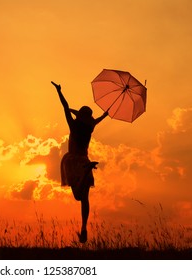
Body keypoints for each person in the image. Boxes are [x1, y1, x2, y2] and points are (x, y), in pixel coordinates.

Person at [51, 81, 108, 243]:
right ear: (89, 117)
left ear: (79, 116)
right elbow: (97, 119)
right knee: (84, 199)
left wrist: (59, 91)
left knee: (77, 197)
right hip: (84, 160)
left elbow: (65, 106)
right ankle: (83, 226)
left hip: (72, 161)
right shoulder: (90, 126)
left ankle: (83, 174)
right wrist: (105, 114)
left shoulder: (74, 124)